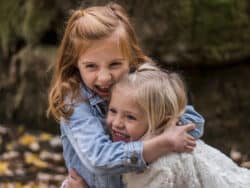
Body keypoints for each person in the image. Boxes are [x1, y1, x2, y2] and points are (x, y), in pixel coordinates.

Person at [47, 3, 204, 188]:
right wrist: (161, 143)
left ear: (130, 57)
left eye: (114, 64)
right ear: (75, 63)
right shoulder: (75, 99)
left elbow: (194, 124)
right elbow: (99, 158)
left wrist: (156, 131)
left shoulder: (141, 84)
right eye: (91, 66)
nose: (104, 77)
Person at [67, 63, 250, 188]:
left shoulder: (162, 165)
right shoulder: (151, 148)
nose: (116, 123)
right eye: (113, 111)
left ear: (158, 120)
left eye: (130, 117)